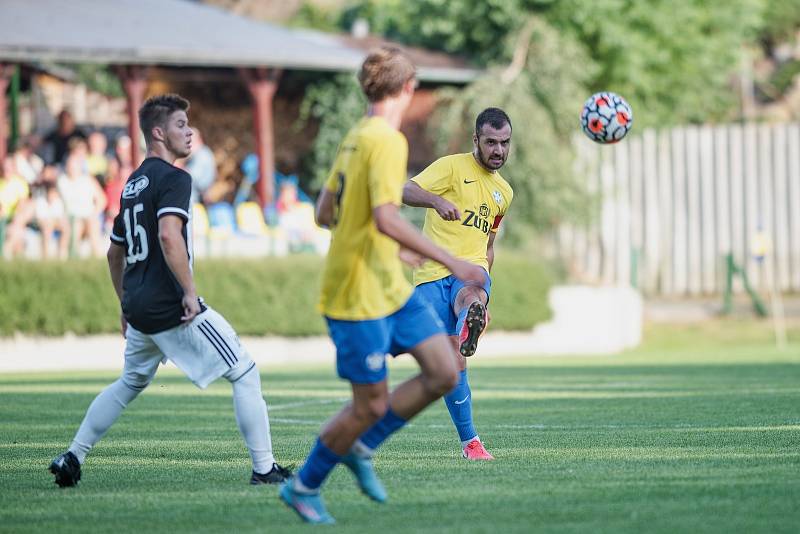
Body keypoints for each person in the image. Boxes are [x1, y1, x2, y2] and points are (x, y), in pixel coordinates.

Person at [278, 47, 486, 525]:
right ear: (409, 89)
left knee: (444, 369)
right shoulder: (386, 142)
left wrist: (389, 249)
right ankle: (304, 484)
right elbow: (385, 215)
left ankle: (363, 449)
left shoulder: (356, 136)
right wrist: (451, 259)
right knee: (369, 404)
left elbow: (325, 211)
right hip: (356, 294)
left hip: (391, 286)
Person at [49, 94, 291, 488]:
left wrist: (124, 303)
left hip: (140, 306)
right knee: (245, 371)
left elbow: (115, 253)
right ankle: (264, 469)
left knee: (130, 382)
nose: (189, 131)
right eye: (180, 124)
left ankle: (73, 455)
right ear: (158, 133)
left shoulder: (131, 184)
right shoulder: (176, 178)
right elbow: (167, 234)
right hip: (170, 306)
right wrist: (190, 292)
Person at [402, 108, 514, 461]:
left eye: (505, 143)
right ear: (476, 141)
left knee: (472, 290)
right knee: (451, 368)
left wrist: (485, 296)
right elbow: (405, 190)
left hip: (472, 272)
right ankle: (471, 444)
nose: (498, 150)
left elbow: (489, 246)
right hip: (431, 275)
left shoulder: (504, 192)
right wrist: (436, 200)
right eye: (491, 142)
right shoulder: (451, 167)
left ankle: (473, 313)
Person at [185, 127, 216, 205]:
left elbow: (195, 179)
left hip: (196, 200)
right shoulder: (197, 155)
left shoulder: (202, 155)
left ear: (198, 140)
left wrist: (180, 170)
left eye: (189, 141)